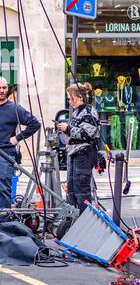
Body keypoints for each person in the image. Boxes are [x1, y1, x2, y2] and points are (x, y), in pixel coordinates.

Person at [0, 77, 41, 208]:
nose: (2, 91)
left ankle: (3, 223)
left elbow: (35, 124)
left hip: (4, 153)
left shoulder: (14, 109)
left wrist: (18, 138)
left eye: (4, 88)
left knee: (3, 190)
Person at [57, 82, 100, 214]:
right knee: (71, 189)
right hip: (74, 154)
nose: (69, 101)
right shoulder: (78, 112)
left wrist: (68, 128)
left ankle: (83, 220)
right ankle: (73, 219)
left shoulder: (88, 111)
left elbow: (88, 133)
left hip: (84, 155)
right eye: (68, 99)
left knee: (81, 189)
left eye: (71, 98)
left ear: (80, 97)